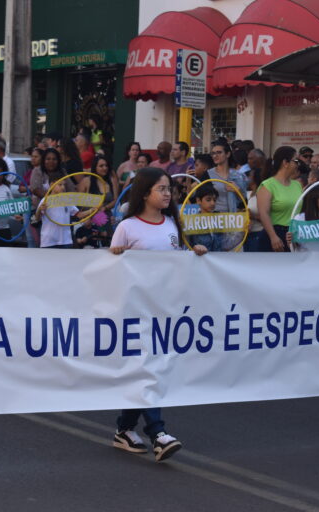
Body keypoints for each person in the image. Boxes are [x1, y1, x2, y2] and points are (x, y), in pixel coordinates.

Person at [109, 168, 202, 462]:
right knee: (147, 368)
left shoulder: (172, 224)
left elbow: (178, 263)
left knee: (149, 370)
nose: (167, 193)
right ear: (145, 192)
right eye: (161, 188)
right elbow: (110, 270)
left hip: (165, 309)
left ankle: (125, 428)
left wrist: (196, 253)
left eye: (168, 189)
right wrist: (116, 255)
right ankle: (158, 433)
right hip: (136, 311)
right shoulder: (127, 227)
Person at [257, 146, 302, 252]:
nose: (298, 165)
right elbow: (263, 213)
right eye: (295, 161)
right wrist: (273, 236)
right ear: (285, 163)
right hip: (275, 233)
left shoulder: (297, 185)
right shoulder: (268, 185)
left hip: (294, 234)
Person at [37, 181, 92, 248]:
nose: (63, 187)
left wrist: (91, 210)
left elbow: (79, 214)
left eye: (64, 185)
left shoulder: (66, 200)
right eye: (60, 185)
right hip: (49, 241)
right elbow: (37, 218)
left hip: (65, 241)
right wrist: (40, 210)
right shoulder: (44, 201)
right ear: (52, 185)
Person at [188, 183, 222, 253]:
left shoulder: (220, 220)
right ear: (198, 200)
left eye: (214, 200)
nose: (213, 203)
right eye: (208, 200)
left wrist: (242, 232)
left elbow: (226, 244)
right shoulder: (192, 222)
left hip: (218, 259)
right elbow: (187, 245)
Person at [244, 167, 265, 252]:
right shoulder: (246, 194)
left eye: (249, 176)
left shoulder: (262, 195)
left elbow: (268, 217)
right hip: (245, 234)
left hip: (258, 234)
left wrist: (252, 216)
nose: (247, 178)